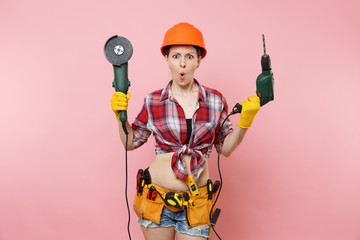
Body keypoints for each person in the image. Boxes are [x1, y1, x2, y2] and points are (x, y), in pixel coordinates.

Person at [111, 22, 260, 240]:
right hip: (157, 199)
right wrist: (119, 116)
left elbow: (225, 149)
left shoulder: (215, 100)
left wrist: (245, 122)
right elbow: (130, 142)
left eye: (189, 56)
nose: (182, 64)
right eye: (176, 56)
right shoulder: (153, 101)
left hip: (196, 202)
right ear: (166, 60)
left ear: (199, 60)